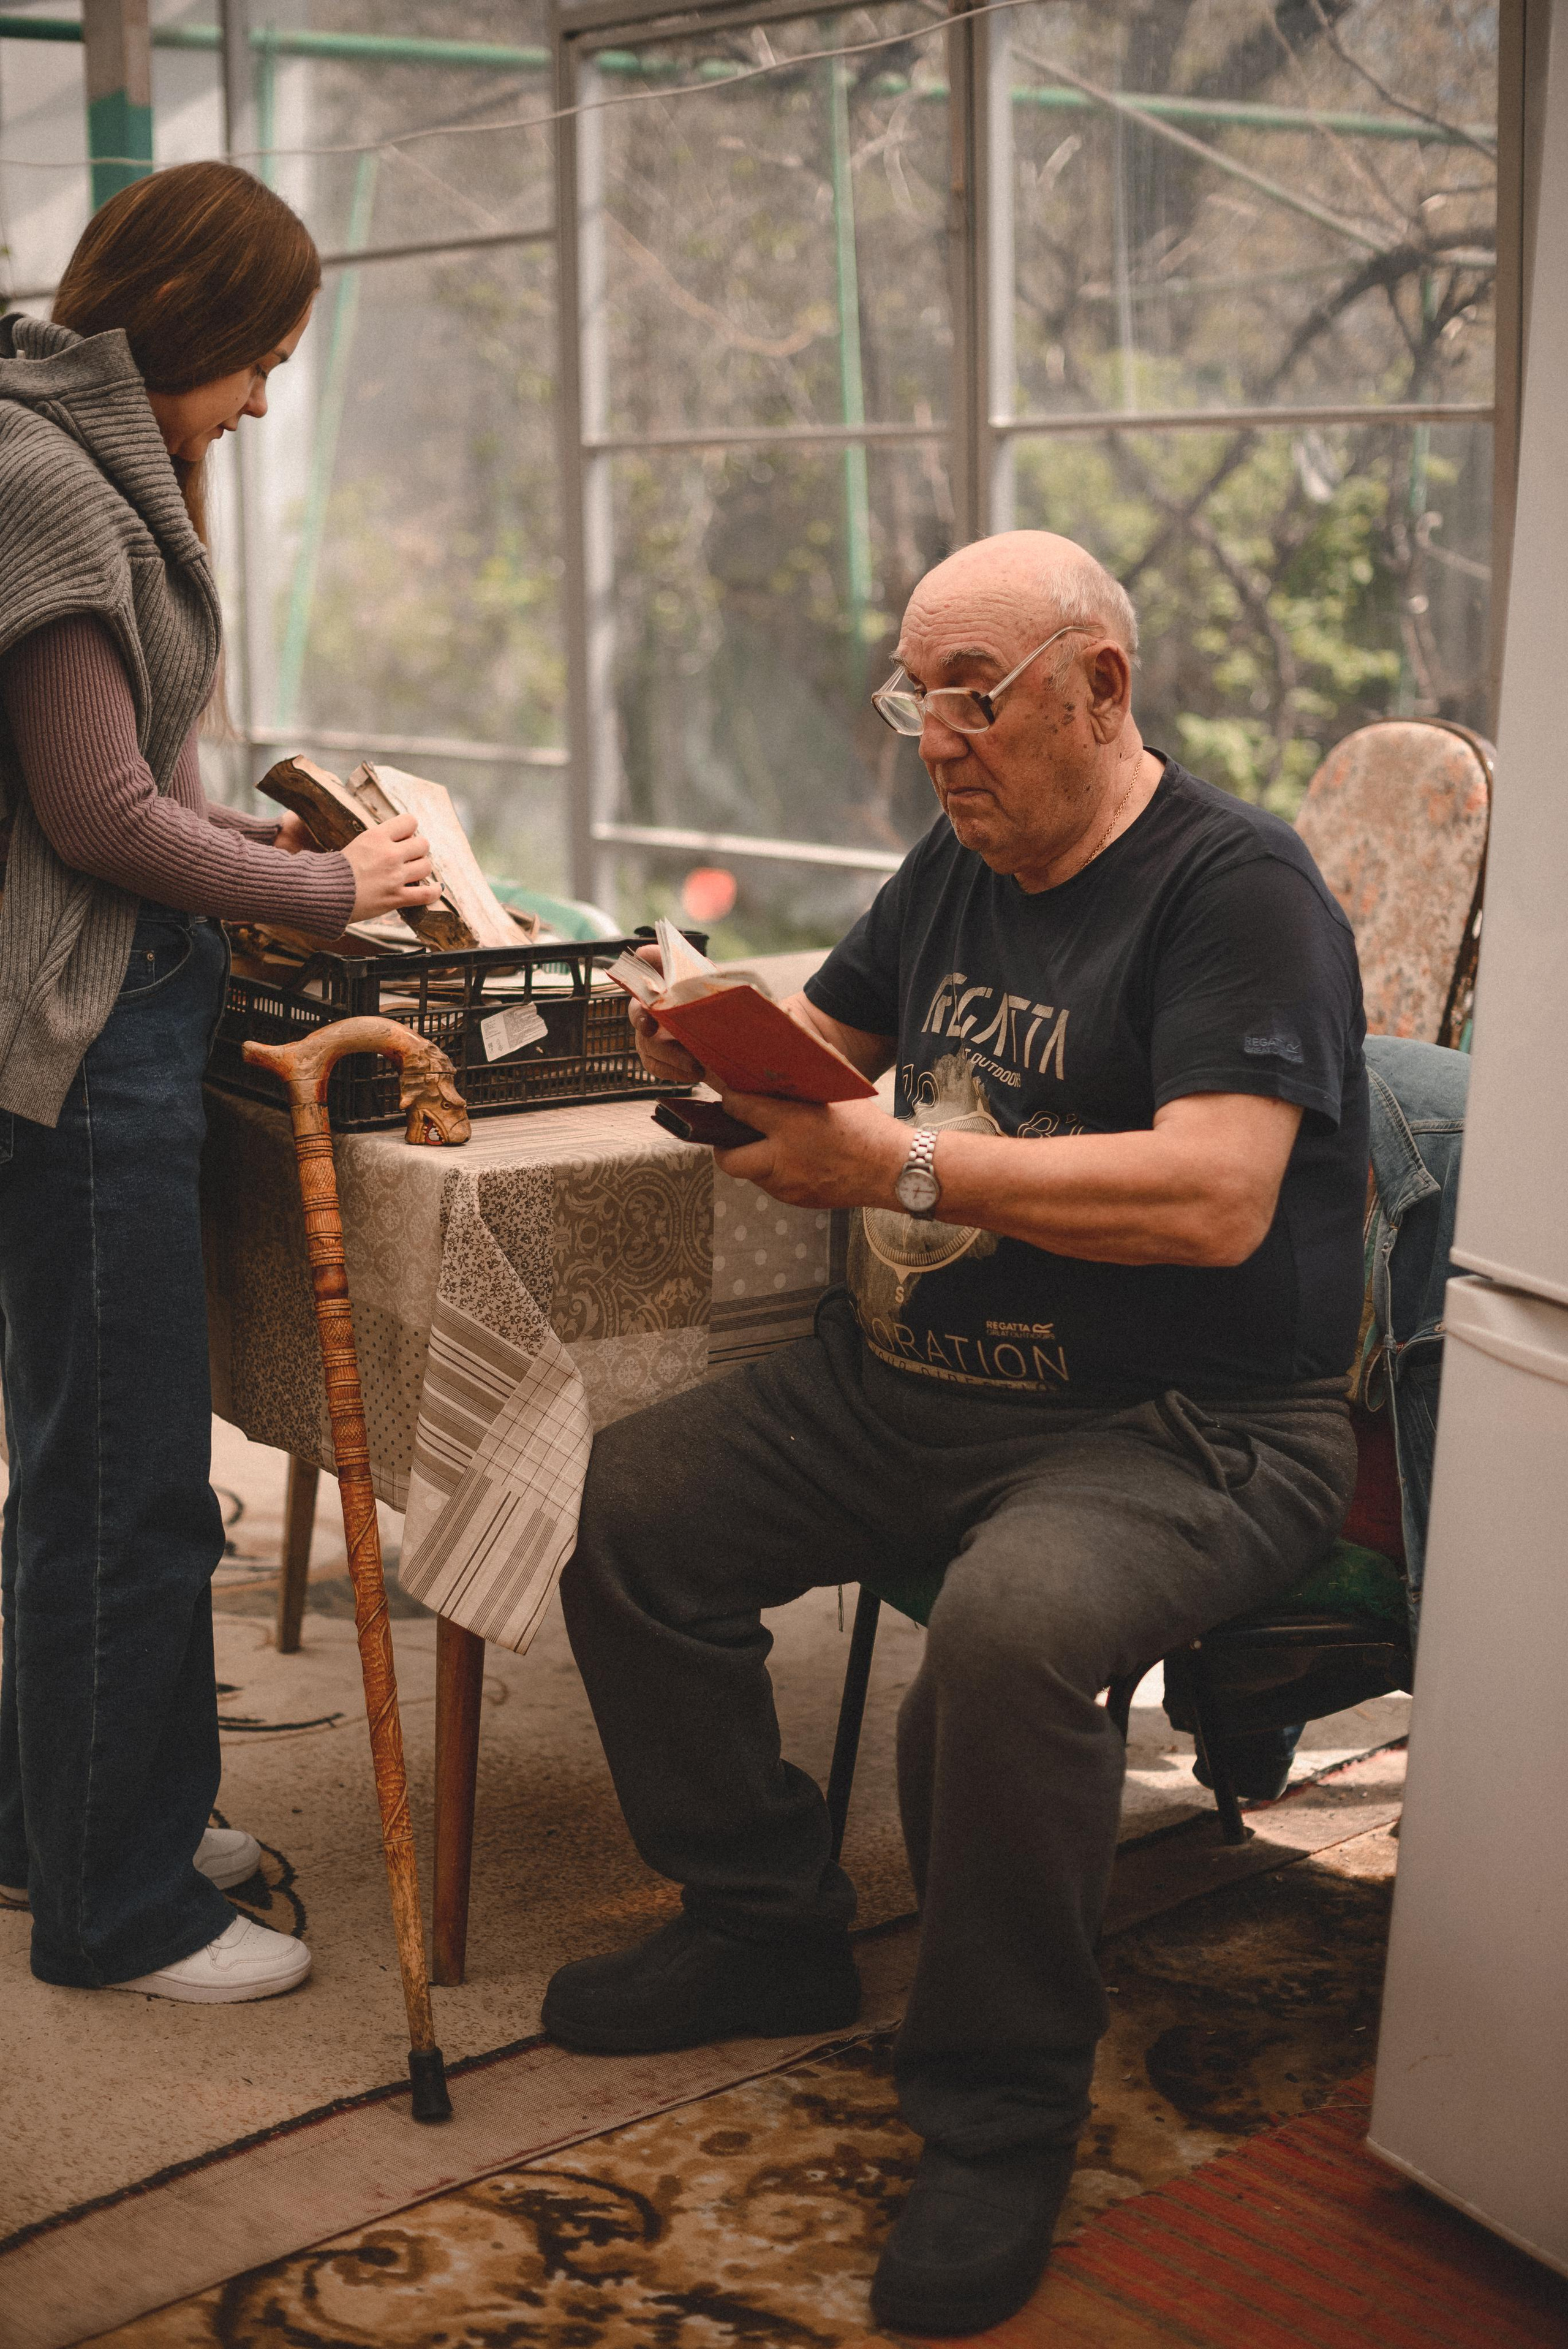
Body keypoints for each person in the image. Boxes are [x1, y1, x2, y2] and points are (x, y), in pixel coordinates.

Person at [543, 531, 1366, 2335]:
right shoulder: (958, 862)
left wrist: (901, 1157)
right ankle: (765, 1914)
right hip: (916, 1383)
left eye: (976, 695)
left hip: (1189, 1420)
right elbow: (825, 1048)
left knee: (1000, 1640)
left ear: (1102, 685)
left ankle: (1000, 2107)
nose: (939, 737)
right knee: (626, 1510)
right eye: (920, 697)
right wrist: (701, 1032)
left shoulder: (1241, 893)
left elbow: (1221, 1197)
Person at [0, 162, 440, 2005]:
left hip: (121, 1021)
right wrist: (334, 885)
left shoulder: (91, 460)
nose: (267, 396)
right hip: (92, 1038)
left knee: (89, 1467)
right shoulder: (41, 478)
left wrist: (240, 835)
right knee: (126, 1486)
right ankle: (120, 1908)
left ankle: (82, 1818)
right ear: (183, 319)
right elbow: (89, 815)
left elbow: (127, 782)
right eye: (261, 355)